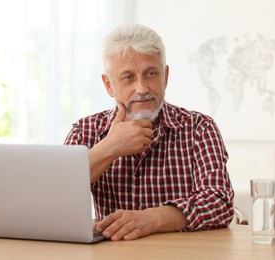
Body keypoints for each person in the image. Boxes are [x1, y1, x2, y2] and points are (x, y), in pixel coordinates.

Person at [64, 24, 234, 241]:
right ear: (109, 85)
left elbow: (220, 202)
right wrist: (109, 147)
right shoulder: (84, 132)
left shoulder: (199, 128)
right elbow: (55, 200)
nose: (142, 88)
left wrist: (153, 219)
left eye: (151, 73)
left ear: (165, 76)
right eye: (128, 77)